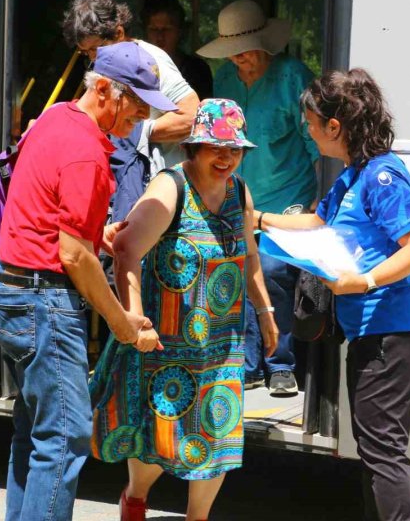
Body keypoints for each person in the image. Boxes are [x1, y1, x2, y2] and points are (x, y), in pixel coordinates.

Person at [0, 41, 177, 521]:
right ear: (104, 91)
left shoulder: (54, 118)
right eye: (134, 104)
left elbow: (56, 221)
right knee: (67, 436)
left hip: (14, 294)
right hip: (42, 301)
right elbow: (72, 255)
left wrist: (97, 235)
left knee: (36, 432)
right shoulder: (88, 154)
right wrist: (120, 321)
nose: (139, 117)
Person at [256, 69, 410, 521]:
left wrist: (365, 281)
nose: (309, 133)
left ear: (334, 126)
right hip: (372, 330)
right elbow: (317, 224)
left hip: (392, 328)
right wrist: (256, 217)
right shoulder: (354, 175)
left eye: (312, 124)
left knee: (382, 451)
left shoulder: (382, 176)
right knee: (374, 447)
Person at [90, 98, 279, 521]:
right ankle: (136, 498)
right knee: (158, 438)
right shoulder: (170, 186)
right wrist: (134, 319)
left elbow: (249, 257)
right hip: (166, 344)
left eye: (234, 149)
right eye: (216, 148)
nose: (227, 157)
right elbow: (124, 249)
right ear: (195, 147)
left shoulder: (240, 193)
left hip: (222, 346)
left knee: (219, 439)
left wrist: (265, 312)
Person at [198, 0, 318, 395]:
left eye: (246, 50)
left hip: (289, 201)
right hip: (239, 198)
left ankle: (280, 364)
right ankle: (246, 365)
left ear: (266, 44)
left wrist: (321, 204)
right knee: (233, 273)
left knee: (270, 271)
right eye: (232, 52)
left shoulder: (293, 78)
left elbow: (315, 145)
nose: (239, 59)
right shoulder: (226, 82)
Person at [62, 0, 199, 173]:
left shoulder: (150, 60)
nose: (94, 58)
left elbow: (192, 116)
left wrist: (135, 132)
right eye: (86, 52)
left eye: (97, 48)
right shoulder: (104, 64)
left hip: (161, 184)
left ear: (118, 32)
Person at [140, 0, 213, 100]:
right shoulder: (137, 67)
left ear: (180, 31)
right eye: (154, 29)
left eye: (167, 29)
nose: (160, 37)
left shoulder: (197, 70)